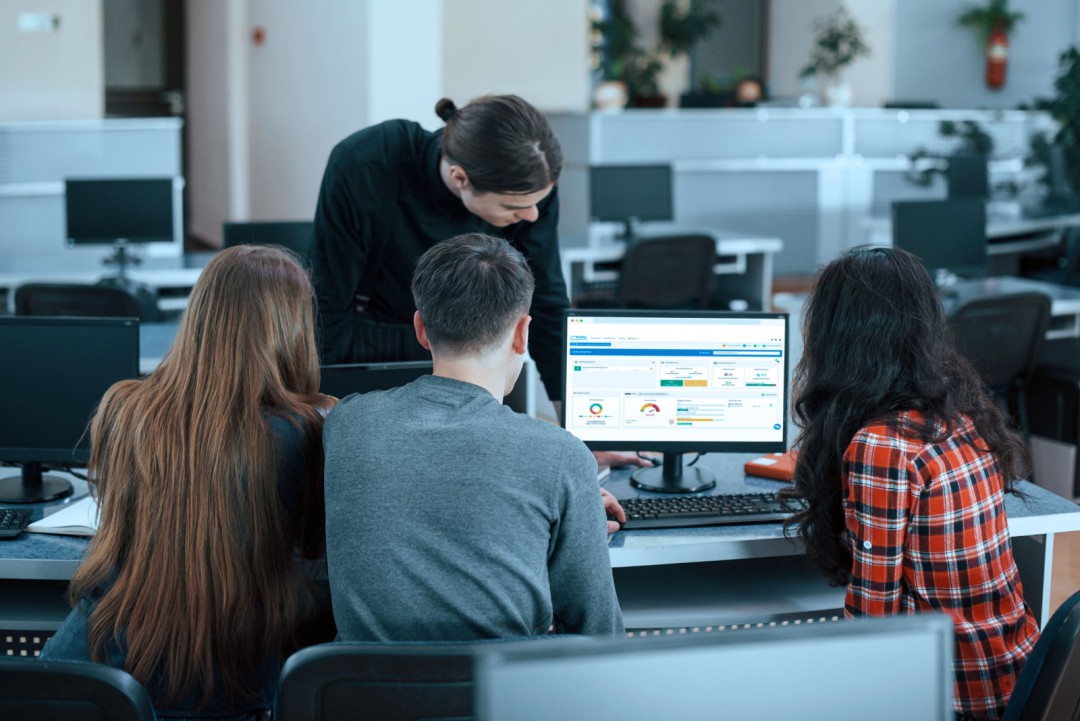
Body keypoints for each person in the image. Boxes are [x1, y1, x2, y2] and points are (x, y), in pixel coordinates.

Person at [40, 245, 334, 719]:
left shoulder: (125, 409)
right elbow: (319, 548)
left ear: (201, 314)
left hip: (111, 667)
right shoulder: (308, 429)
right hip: (240, 683)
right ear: (293, 329)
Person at [323, 233, 625, 641]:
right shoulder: (560, 456)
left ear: (421, 329)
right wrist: (573, 518)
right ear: (523, 333)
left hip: (362, 698)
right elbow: (599, 635)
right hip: (507, 701)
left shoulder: (346, 424)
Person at [785, 245, 1039, 721]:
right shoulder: (959, 416)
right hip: (1014, 672)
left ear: (834, 335)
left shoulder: (885, 444)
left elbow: (873, 619)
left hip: (958, 695)